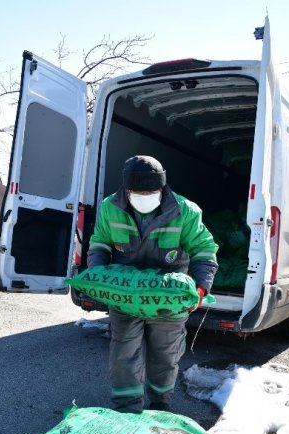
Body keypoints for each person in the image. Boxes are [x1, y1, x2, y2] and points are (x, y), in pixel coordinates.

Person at [87, 155, 218, 412]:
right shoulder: (110, 208)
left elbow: (204, 250)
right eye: (139, 192)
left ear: (162, 188)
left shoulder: (184, 211)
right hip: (125, 297)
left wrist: (201, 287)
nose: (145, 196)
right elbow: (99, 243)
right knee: (123, 354)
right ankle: (127, 408)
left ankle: (160, 406)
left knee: (165, 355)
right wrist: (98, 275)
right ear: (127, 190)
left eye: (151, 191)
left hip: (167, 300)